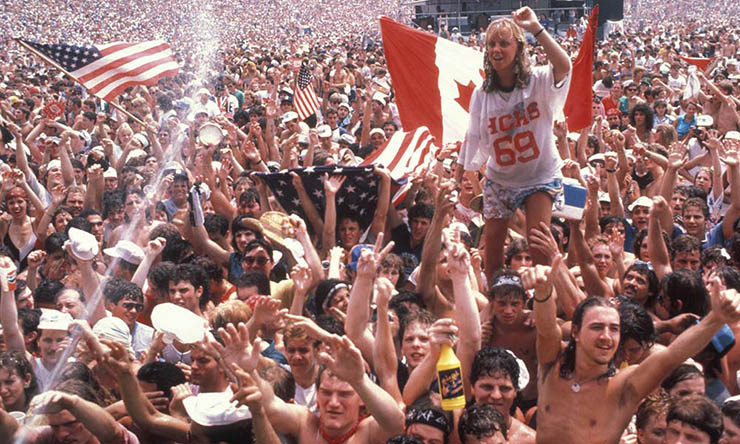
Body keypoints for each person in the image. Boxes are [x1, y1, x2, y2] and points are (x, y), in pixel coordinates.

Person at [531, 253, 740, 443]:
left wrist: (715, 319)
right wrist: (543, 293)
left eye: (614, 329)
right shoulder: (553, 363)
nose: (606, 337)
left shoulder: (624, 386)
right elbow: (547, 330)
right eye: (596, 327)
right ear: (575, 332)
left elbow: (673, 355)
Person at [457, 7, 572, 280]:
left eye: (504, 43)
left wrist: (535, 29)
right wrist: (459, 172)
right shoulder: (482, 94)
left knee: (538, 242)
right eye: (491, 44)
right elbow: (472, 135)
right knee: (492, 244)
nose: (496, 49)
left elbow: (565, 66)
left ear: (518, 47)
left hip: (539, 175)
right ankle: (498, 297)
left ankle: (546, 297)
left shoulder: (539, 80)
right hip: (501, 178)